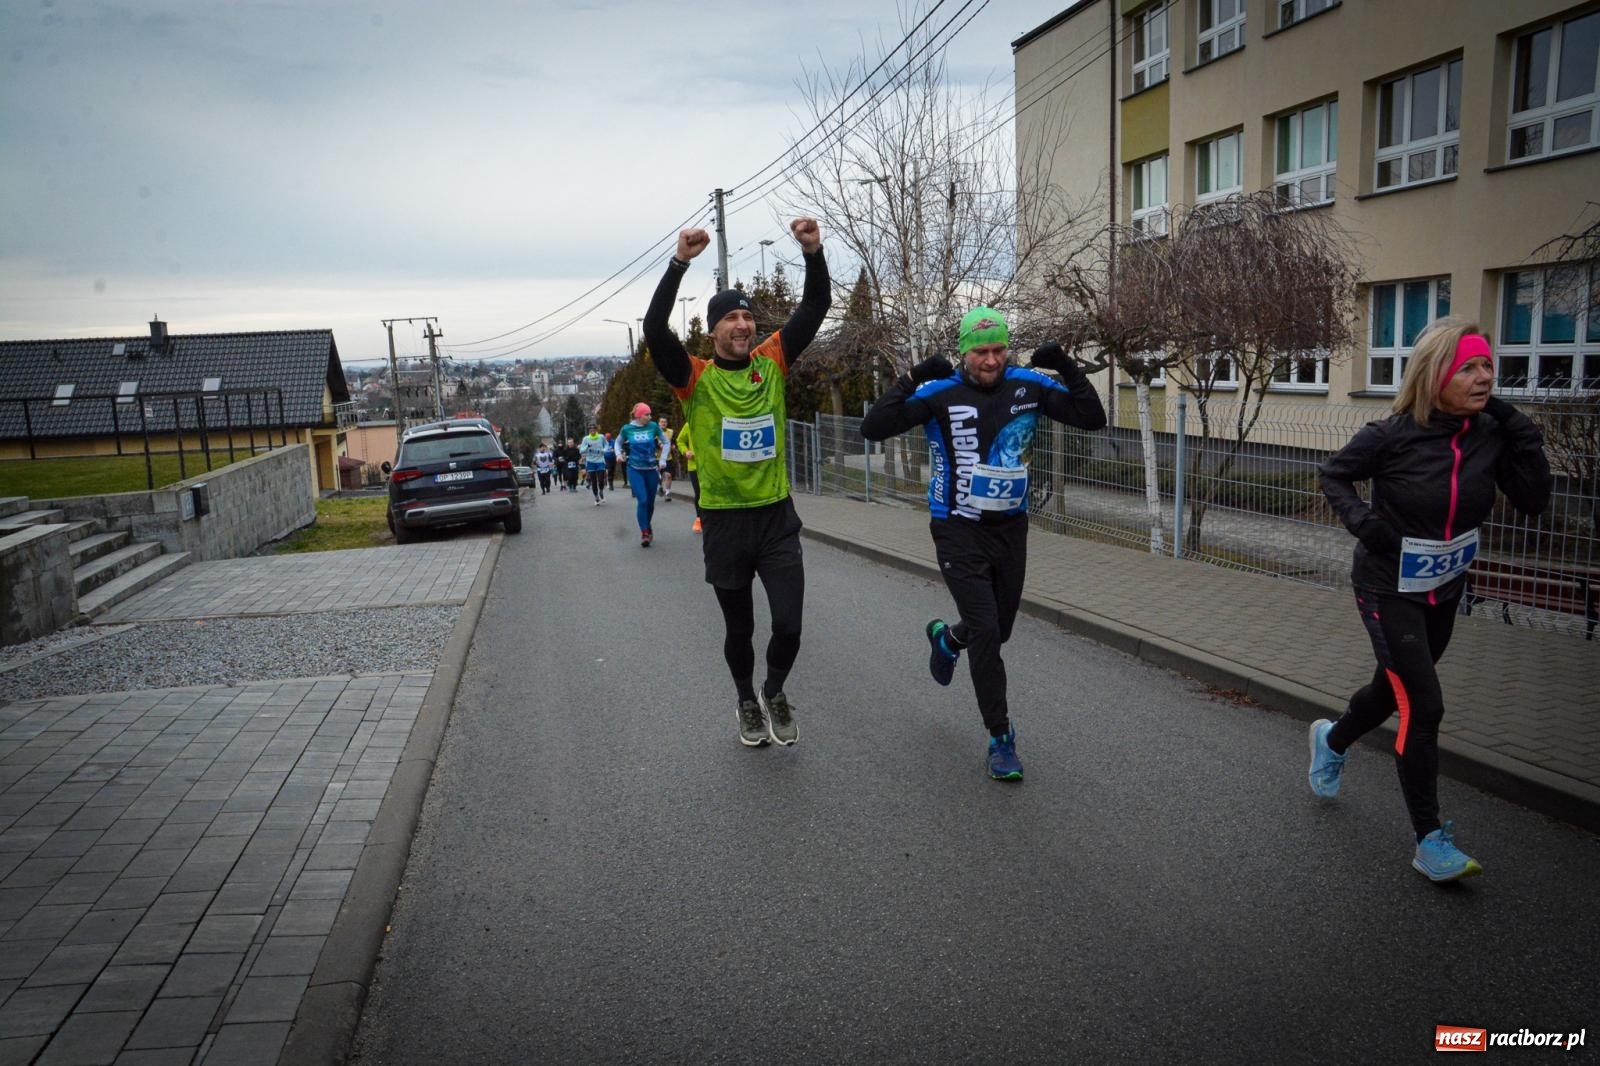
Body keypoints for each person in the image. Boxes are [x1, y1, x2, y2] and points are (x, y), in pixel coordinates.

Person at [1311, 318, 1550, 882]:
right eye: (1468, 366)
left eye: (1488, 364)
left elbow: (1534, 501)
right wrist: (1368, 527)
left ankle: (1332, 737)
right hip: (1386, 586)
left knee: (1388, 690)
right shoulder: (1392, 434)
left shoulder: (1490, 434)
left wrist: (1520, 430)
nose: (1484, 375)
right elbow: (1334, 476)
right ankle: (1429, 840)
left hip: (1443, 585)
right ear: (1434, 374)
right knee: (1424, 703)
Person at [860, 308, 1107, 781]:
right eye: (980, 351)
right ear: (963, 352)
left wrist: (1067, 367)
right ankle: (1001, 739)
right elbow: (874, 427)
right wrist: (913, 376)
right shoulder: (939, 393)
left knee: (999, 628)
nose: (991, 360)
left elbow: (1091, 418)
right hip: (957, 527)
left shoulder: (1028, 386)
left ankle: (948, 638)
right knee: (989, 635)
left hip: (1011, 527)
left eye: (998, 350)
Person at [642, 217, 829, 747]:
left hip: (775, 517)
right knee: (740, 629)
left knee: (789, 626)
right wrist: (679, 263)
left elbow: (814, 308)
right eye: (732, 319)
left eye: (748, 316)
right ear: (713, 330)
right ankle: (746, 700)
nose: (743, 325)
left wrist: (812, 253)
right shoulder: (693, 377)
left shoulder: (771, 362)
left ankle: (774, 689)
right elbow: (655, 331)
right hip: (724, 520)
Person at [616, 402, 670, 545]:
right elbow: (617, 443)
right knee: (643, 500)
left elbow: (666, 442)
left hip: (651, 470)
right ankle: (644, 532)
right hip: (634, 469)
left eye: (650, 414)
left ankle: (647, 524)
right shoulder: (627, 429)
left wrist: (663, 459)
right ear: (639, 416)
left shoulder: (653, 426)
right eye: (647, 414)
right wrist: (618, 454)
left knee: (650, 503)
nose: (650, 416)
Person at [677, 418, 702, 534]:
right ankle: (699, 518)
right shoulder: (689, 424)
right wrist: (686, 451)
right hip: (694, 466)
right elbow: (680, 440)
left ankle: (712, 519)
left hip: (712, 465)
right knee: (699, 493)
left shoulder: (713, 421)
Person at [579, 423, 609, 506]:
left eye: (594, 429)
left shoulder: (601, 437)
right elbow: (581, 451)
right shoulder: (586, 439)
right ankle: (596, 497)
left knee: (600, 479)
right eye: (590, 430)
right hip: (590, 461)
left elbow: (607, 445)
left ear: (596, 430)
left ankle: (601, 491)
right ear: (589, 431)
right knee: (593, 481)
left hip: (600, 461)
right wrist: (587, 446)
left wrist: (604, 450)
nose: (592, 431)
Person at [657, 415, 677, 500]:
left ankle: (667, 494)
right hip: (657, 458)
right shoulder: (655, 432)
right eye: (662, 422)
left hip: (668, 458)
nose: (663, 423)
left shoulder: (671, 432)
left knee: (668, 475)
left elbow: (674, 442)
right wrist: (660, 445)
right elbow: (655, 444)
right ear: (658, 423)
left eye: (665, 422)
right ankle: (660, 486)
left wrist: (673, 446)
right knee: (659, 477)